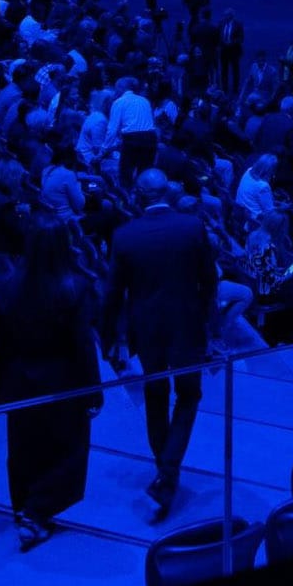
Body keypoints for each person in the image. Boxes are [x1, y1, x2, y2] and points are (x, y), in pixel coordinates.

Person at [103, 169, 216, 521]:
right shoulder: (191, 227)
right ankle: (168, 471)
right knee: (189, 395)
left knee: (155, 396)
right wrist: (211, 330)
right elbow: (209, 281)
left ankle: (165, 472)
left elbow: (113, 295)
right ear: (167, 191)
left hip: (147, 331)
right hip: (187, 329)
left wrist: (109, 338)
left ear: (138, 194)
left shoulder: (124, 236)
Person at [0, 214, 101, 551]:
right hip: (64, 382)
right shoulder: (75, 288)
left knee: (23, 450)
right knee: (70, 452)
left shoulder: (3, 287)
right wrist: (94, 391)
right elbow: (82, 347)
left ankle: (24, 508)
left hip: (19, 380)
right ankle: (36, 512)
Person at [108, 76, 159, 186]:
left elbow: (112, 130)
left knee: (126, 175)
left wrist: (103, 149)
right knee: (144, 174)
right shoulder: (144, 100)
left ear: (121, 88)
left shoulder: (119, 102)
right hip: (151, 139)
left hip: (132, 139)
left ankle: (127, 201)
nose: (114, 91)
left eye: (116, 88)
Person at [235, 153, 280, 228]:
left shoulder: (249, 170)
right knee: (282, 218)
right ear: (270, 170)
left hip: (240, 213)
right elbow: (270, 212)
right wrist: (283, 209)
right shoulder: (263, 186)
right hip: (253, 222)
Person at [217, 9, 244, 95]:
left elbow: (241, 38)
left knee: (235, 70)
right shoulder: (221, 24)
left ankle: (235, 89)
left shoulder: (238, 25)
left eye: (227, 15)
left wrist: (231, 43)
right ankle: (225, 88)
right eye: (225, 15)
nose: (226, 17)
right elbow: (218, 35)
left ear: (231, 16)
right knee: (224, 70)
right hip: (224, 51)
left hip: (234, 51)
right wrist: (222, 43)